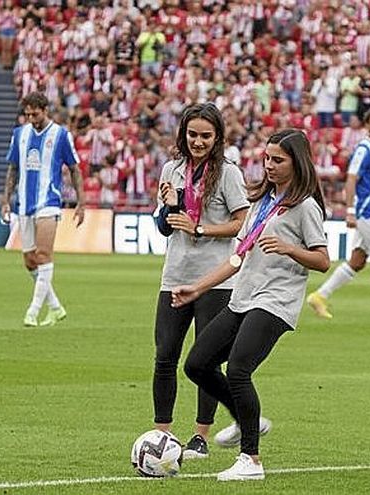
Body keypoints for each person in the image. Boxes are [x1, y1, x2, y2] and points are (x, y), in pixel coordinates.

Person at [177, 129, 330, 481]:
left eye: (278, 160)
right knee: (198, 364)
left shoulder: (305, 206)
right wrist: (196, 289)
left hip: (275, 301)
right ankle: (248, 418)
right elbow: (236, 259)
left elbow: (323, 261)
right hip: (243, 296)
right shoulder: (261, 202)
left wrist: (290, 248)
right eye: (267, 158)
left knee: (239, 370)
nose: (270, 165)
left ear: (297, 162)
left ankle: (251, 460)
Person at [151, 103, 250, 460]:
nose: (198, 141)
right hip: (174, 274)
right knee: (165, 356)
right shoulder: (171, 169)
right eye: (192, 134)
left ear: (218, 138)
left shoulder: (228, 174)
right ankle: (162, 434)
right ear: (183, 134)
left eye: (206, 136)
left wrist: (202, 228)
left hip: (214, 280)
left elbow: (242, 222)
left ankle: (200, 437)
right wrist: (167, 209)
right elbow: (164, 227)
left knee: (204, 361)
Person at [0, 91, 84, 327]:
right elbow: (13, 168)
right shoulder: (19, 135)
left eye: (34, 114)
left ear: (45, 110)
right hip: (24, 203)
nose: (31, 118)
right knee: (29, 261)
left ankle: (33, 311)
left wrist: (82, 202)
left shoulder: (60, 135)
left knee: (43, 255)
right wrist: (6, 198)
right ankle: (56, 308)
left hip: (48, 202)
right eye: (27, 114)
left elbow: (75, 169)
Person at [307, 107, 370, 321]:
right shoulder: (364, 150)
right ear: (368, 127)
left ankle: (320, 296)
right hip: (367, 211)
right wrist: (349, 211)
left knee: (357, 261)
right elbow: (351, 178)